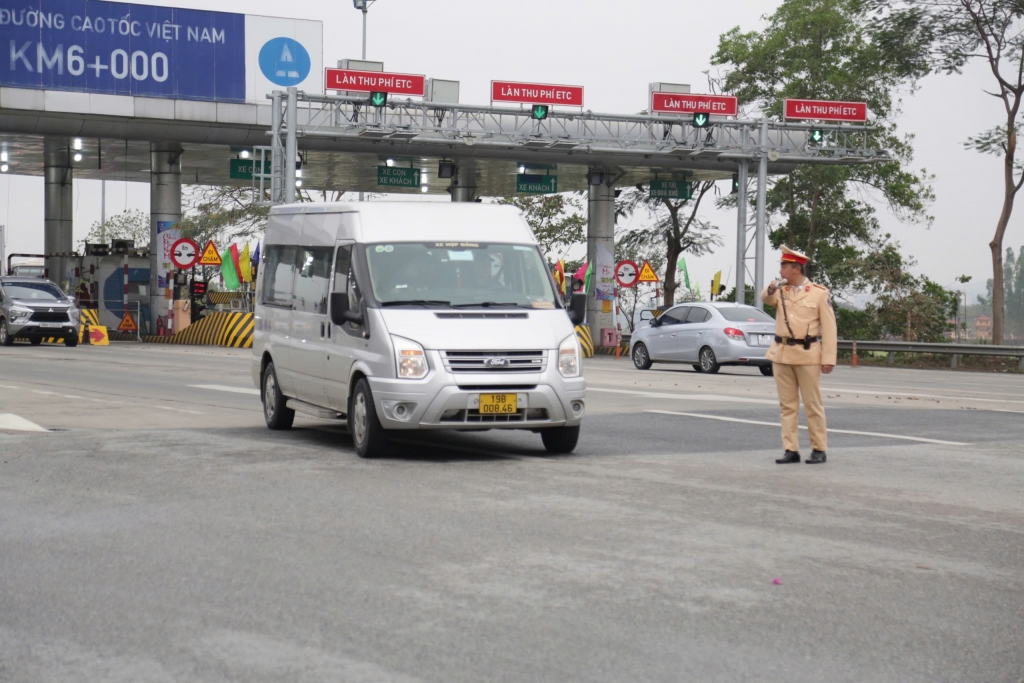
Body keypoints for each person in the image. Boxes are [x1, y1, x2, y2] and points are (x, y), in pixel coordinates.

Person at [761, 246, 837, 465]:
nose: (781, 270)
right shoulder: (781, 292)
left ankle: (819, 448)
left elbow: (829, 327)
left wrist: (828, 358)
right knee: (787, 405)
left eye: (784, 266)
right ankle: (790, 449)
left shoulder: (818, 293)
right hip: (782, 354)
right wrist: (772, 287)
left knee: (812, 404)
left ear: (796, 268)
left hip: (807, 354)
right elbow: (765, 297)